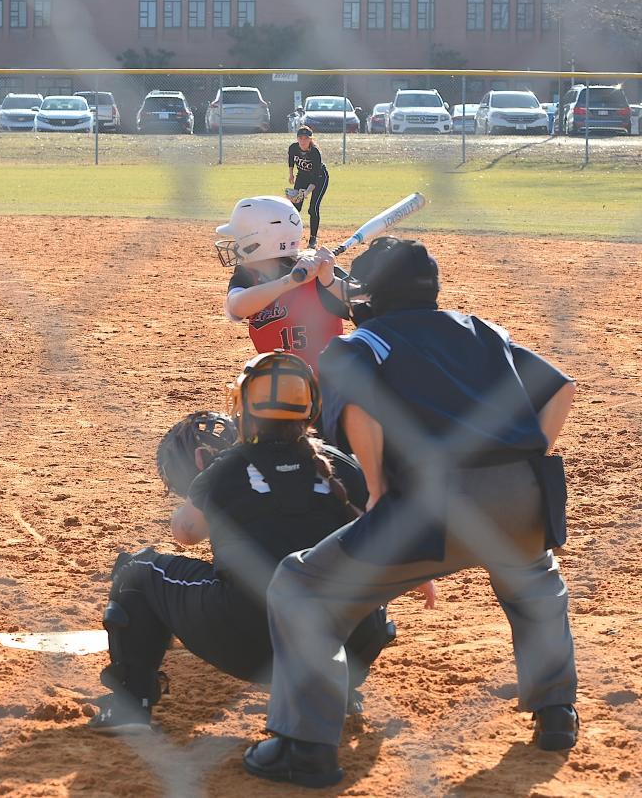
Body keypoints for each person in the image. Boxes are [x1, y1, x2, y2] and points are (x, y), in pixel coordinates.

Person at [245, 238, 579, 788]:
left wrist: (376, 489)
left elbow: (357, 407)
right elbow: (560, 388)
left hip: (432, 504)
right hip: (523, 494)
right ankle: (557, 712)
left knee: (301, 586)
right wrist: (523, 456)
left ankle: (304, 747)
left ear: (372, 296)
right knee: (535, 580)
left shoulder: (361, 343)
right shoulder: (482, 329)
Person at [86, 353, 398, 732]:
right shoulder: (341, 464)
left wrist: (208, 488)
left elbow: (185, 534)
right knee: (362, 576)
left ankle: (130, 706)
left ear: (243, 409)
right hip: (351, 641)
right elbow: (384, 536)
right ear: (310, 409)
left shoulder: (230, 466)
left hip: (249, 642)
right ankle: (339, 692)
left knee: (138, 570)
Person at [215, 195, 348, 374]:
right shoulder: (247, 275)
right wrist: (289, 282)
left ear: (257, 242)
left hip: (327, 388)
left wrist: (330, 281)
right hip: (277, 385)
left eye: (239, 239)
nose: (235, 246)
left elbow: (369, 306)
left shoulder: (319, 276)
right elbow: (236, 308)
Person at [287, 126, 329, 248]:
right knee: (295, 207)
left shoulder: (315, 152)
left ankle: (312, 240)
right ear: (297, 138)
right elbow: (291, 160)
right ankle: (291, 236)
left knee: (313, 208)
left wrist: (306, 192)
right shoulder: (293, 147)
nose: (303, 141)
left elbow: (315, 177)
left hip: (320, 179)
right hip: (302, 176)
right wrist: (291, 174)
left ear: (311, 139)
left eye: (306, 138)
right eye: (300, 138)